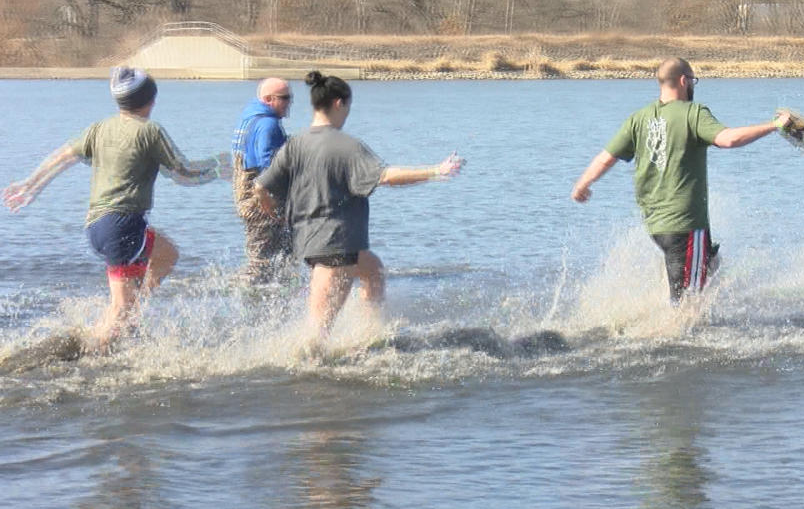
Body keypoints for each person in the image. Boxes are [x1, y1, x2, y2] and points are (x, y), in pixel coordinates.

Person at [3, 67, 231, 351]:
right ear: (150, 100)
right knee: (121, 308)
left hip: (97, 226)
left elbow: (61, 158)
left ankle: (125, 320)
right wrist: (221, 166)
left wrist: (29, 185)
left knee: (166, 255)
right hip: (124, 226)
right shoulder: (150, 131)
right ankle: (91, 354)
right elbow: (182, 173)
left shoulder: (99, 128)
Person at [253, 71, 464, 341]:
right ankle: (311, 373)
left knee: (373, 269)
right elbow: (386, 176)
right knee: (318, 333)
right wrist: (436, 171)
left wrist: (275, 212)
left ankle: (371, 335)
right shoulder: (346, 145)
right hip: (336, 246)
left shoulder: (295, 143)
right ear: (339, 104)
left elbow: (261, 187)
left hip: (308, 242)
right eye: (349, 107)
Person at [571, 57, 791, 306]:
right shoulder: (693, 113)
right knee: (687, 303)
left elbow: (605, 158)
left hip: (656, 226)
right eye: (693, 81)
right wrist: (774, 126)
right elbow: (729, 139)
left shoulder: (638, 118)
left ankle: (717, 305)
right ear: (685, 81)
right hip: (686, 226)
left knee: (710, 266)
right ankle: (675, 336)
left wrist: (582, 184)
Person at [232, 77, 293, 283]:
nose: (289, 103)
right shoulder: (269, 124)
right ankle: (243, 301)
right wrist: (273, 200)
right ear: (268, 99)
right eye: (284, 98)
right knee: (261, 265)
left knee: (280, 253)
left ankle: (281, 298)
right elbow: (269, 166)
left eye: (290, 98)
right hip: (263, 202)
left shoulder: (249, 119)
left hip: (246, 199)